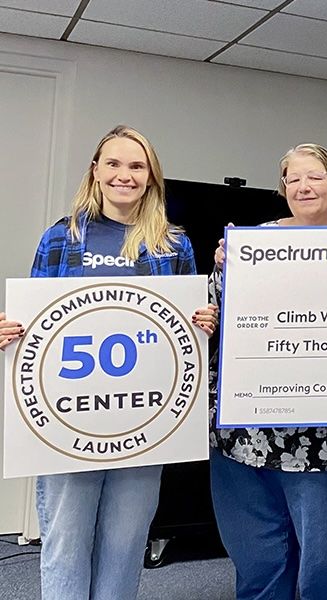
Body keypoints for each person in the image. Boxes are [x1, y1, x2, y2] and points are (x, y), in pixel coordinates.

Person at [0, 125, 217, 600]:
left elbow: (183, 333)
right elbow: (38, 322)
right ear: (95, 172)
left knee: (125, 544)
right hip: (67, 422)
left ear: (151, 177)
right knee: (66, 542)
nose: (125, 175)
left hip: (143, 422)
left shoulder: (173, 244)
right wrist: (10, 331)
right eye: (114, 164)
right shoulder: (62, 237)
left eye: (136, 166)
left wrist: (203, 320)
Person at [208, 143, 327, 600]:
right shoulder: (250, 245)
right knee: (258, 566)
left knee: (319, 571)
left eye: (314, 176)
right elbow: (217, 320)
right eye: (293, 178)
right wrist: (223, 269)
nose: (303, 186)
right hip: (248, 433)